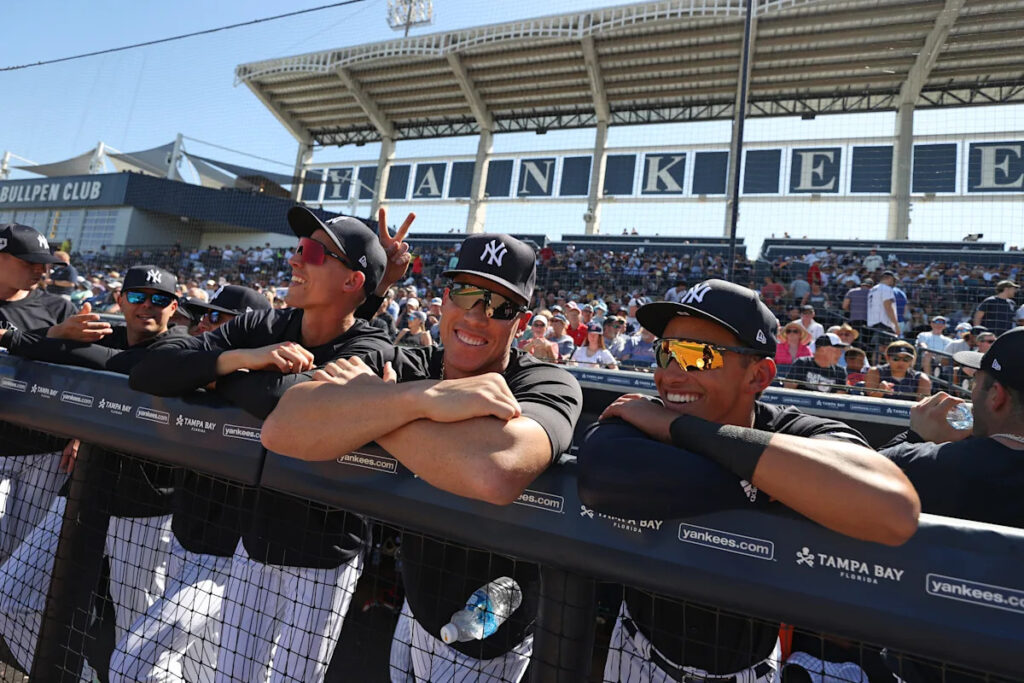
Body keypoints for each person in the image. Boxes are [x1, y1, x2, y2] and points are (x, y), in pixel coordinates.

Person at [260, 233, 583, 683]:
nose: (476, 315)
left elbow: (495, 471)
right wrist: (420, 400)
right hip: (417, 602)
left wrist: (378, 404)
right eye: (465, 293)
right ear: (444, 299)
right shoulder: (412, 363)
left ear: (522, 322)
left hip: (489, 624)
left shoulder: (546, 382)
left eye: (499, 305)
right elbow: (283, 426)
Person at [576, 279, 918, 683]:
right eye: (666, 353)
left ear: (758, 376)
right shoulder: (640, 415)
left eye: (697, 356)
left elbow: (891, 506)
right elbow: (598, 474)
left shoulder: (792, 429)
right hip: (637, 653)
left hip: (753, 670)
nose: (670, 375)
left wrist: (676, 427)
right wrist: (776, 485)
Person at [129, 206, 406, 683]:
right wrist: (243, 357)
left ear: (352, 281)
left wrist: (220, 375)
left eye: (314, 253)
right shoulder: (264, 327)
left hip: (323, 551)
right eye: (299, 249)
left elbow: (294, 404)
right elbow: (149, 370)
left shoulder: (372, 345)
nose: (296, 259)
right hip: (252, 541)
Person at [0, 265, 190, 680]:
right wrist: (57, 339)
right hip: (82, 493)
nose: (147, 306)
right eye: (137, 296)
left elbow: (115, 364)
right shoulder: (107, 333)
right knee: (9, 599)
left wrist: (30, 339)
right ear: (119, 300)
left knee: (139, 633)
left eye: (159, 299)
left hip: (145, 511)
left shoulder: (179, 345)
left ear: (174, 308)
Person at [0, 223, 80, 567]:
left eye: (44, 263)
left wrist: (81, 434)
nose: (40, 269)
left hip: (47, 452)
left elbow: (84, 377)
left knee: (22, 559)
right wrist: (50, 336)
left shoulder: (59, 308)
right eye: (29, 261)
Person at [865, 340, 931, 401]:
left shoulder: (922, 379)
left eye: (906, 359)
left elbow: (923, 406)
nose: (901, 362)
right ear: (887, 357)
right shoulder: (875, 372)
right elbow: (868, 401)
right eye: (896, 358)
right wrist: (880, 391)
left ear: (912, 360)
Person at [783, 333, 849, 393]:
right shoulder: (802, 364)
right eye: (837, 350)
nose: (840, 354)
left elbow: (840, 399)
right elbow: (788, 391)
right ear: (823, 349)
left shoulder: (840, 372)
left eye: (840, 350)